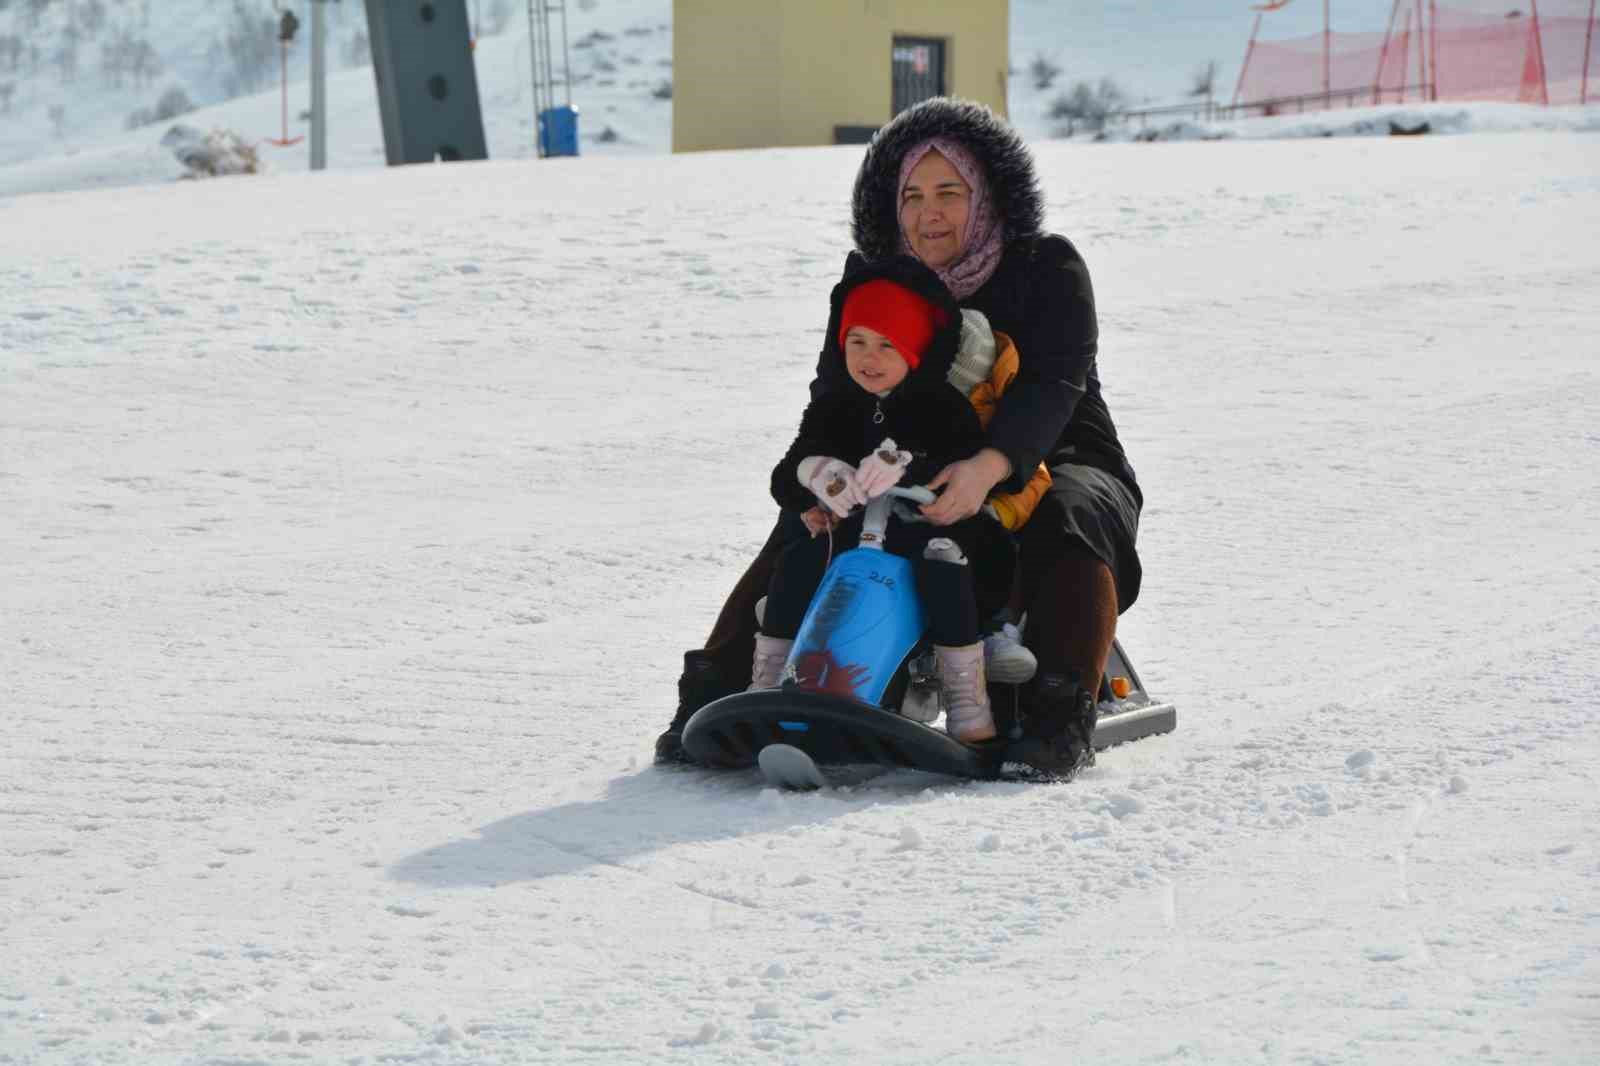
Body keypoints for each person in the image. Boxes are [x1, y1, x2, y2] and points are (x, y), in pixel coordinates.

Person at [657, 97, 1142, 781]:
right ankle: (717, 692)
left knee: (1070, 512)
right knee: (809, 524)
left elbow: (1055, 386)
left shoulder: (1046, 266)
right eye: (912, 195)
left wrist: (989, 465)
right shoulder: (875, 279)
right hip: (906, 452)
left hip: (1053, 451)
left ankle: (1057, 718)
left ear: (988, 196)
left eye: (949, 193)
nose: (927, 213)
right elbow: (835, 396)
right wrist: (819, 476)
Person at [755, 256, 1015, 743]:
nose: (868, 359)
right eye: (857, 342)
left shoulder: (941, 405)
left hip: (927, 529)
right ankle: (768, 684)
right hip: (857, 533)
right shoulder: (835, 405)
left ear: (914, 350)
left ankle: (967, 700)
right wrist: (815, 473)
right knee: (798, 561)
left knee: (942, 565)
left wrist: (906, 464)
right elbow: (787, 475)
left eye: (886, 345)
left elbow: (958, 457)